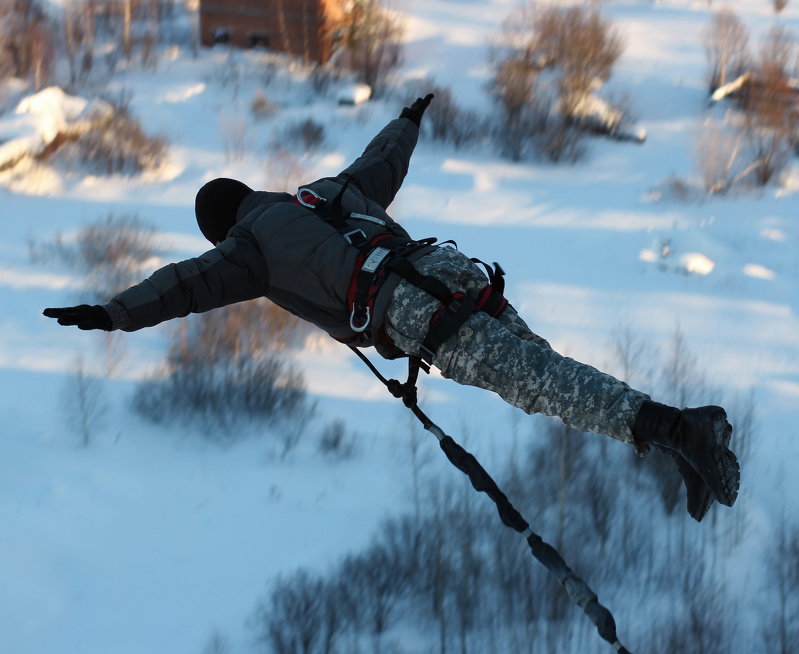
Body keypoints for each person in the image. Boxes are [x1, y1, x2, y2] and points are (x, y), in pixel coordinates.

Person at [44, 94, 740, 521]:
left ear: (222, 227)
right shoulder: (317, 192)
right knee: (546, 370)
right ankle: (684, 432)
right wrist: (408, 119)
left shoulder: (245, 248)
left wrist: (113, 314)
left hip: (412, 308)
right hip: (451, 269)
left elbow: (181, 285)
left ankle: (679, 432)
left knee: (541, 387)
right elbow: (382, 163)